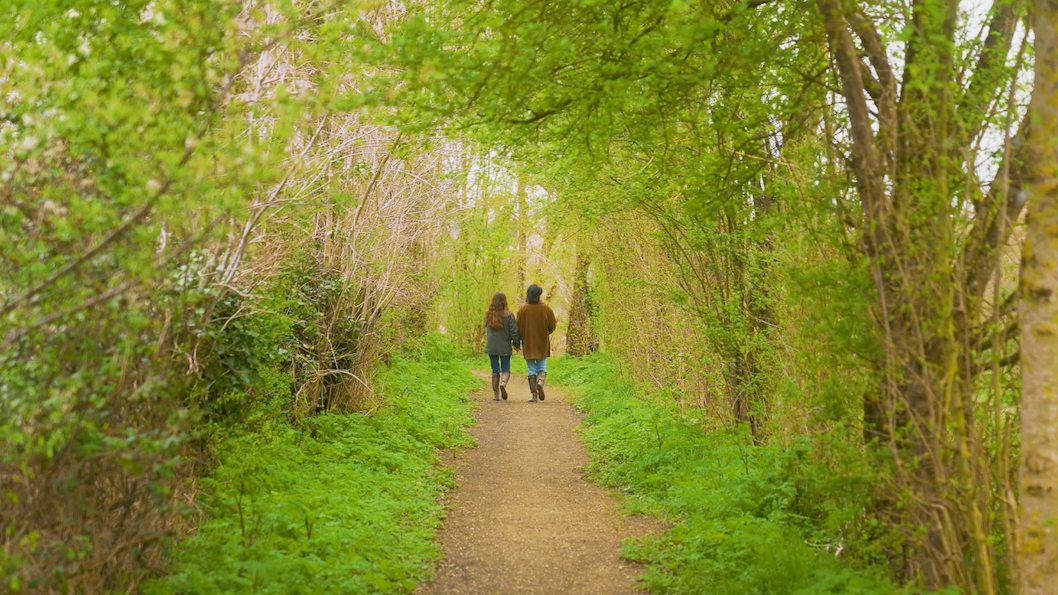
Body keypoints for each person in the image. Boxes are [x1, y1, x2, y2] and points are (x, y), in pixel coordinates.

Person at [516, 284, 557, 403]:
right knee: (542, 366)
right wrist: (546, 332)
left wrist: (519, 340)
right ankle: (540, 382)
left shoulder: (523, 309)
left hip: (528, 341)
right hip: (542, 340)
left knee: (531, 369)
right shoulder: (545, 308)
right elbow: (552, 325)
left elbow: (518, 326)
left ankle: (534, 394)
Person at [484, 292, 520, 401]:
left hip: (491, 346)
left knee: (495, 370)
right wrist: (516, 344)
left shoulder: (488, 315)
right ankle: (503, 384)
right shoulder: (509, 315)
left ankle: (496, 395)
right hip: (504, 346)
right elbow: (514, 332)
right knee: (506, 368)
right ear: (505, 301)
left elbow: (485, 326)